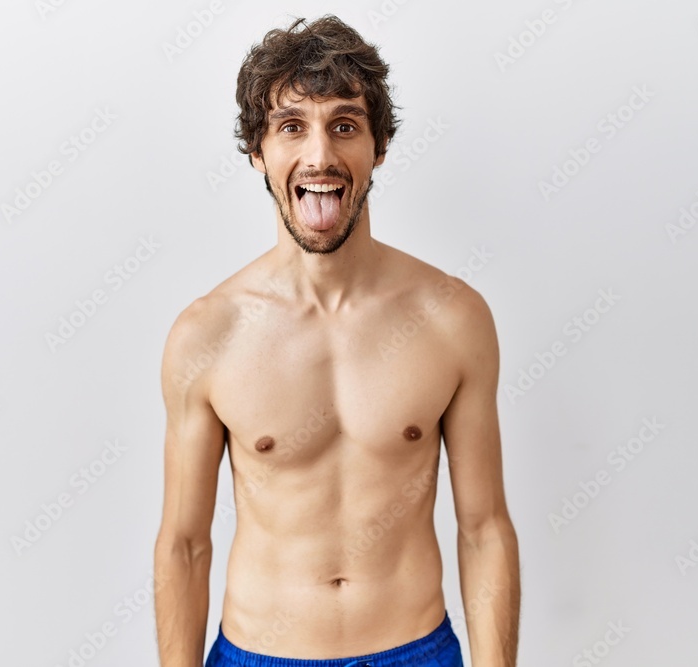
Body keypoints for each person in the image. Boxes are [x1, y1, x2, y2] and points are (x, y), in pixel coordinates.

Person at [154, 14, 520, 667]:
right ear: (257, 151)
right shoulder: (208, 333)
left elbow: (484, 527)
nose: (320, 155)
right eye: (291, 126)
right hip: (259, 653)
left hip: (414, 649)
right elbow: (184, 543)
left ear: (378, 147)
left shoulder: (451, 317)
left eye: (344, 125)